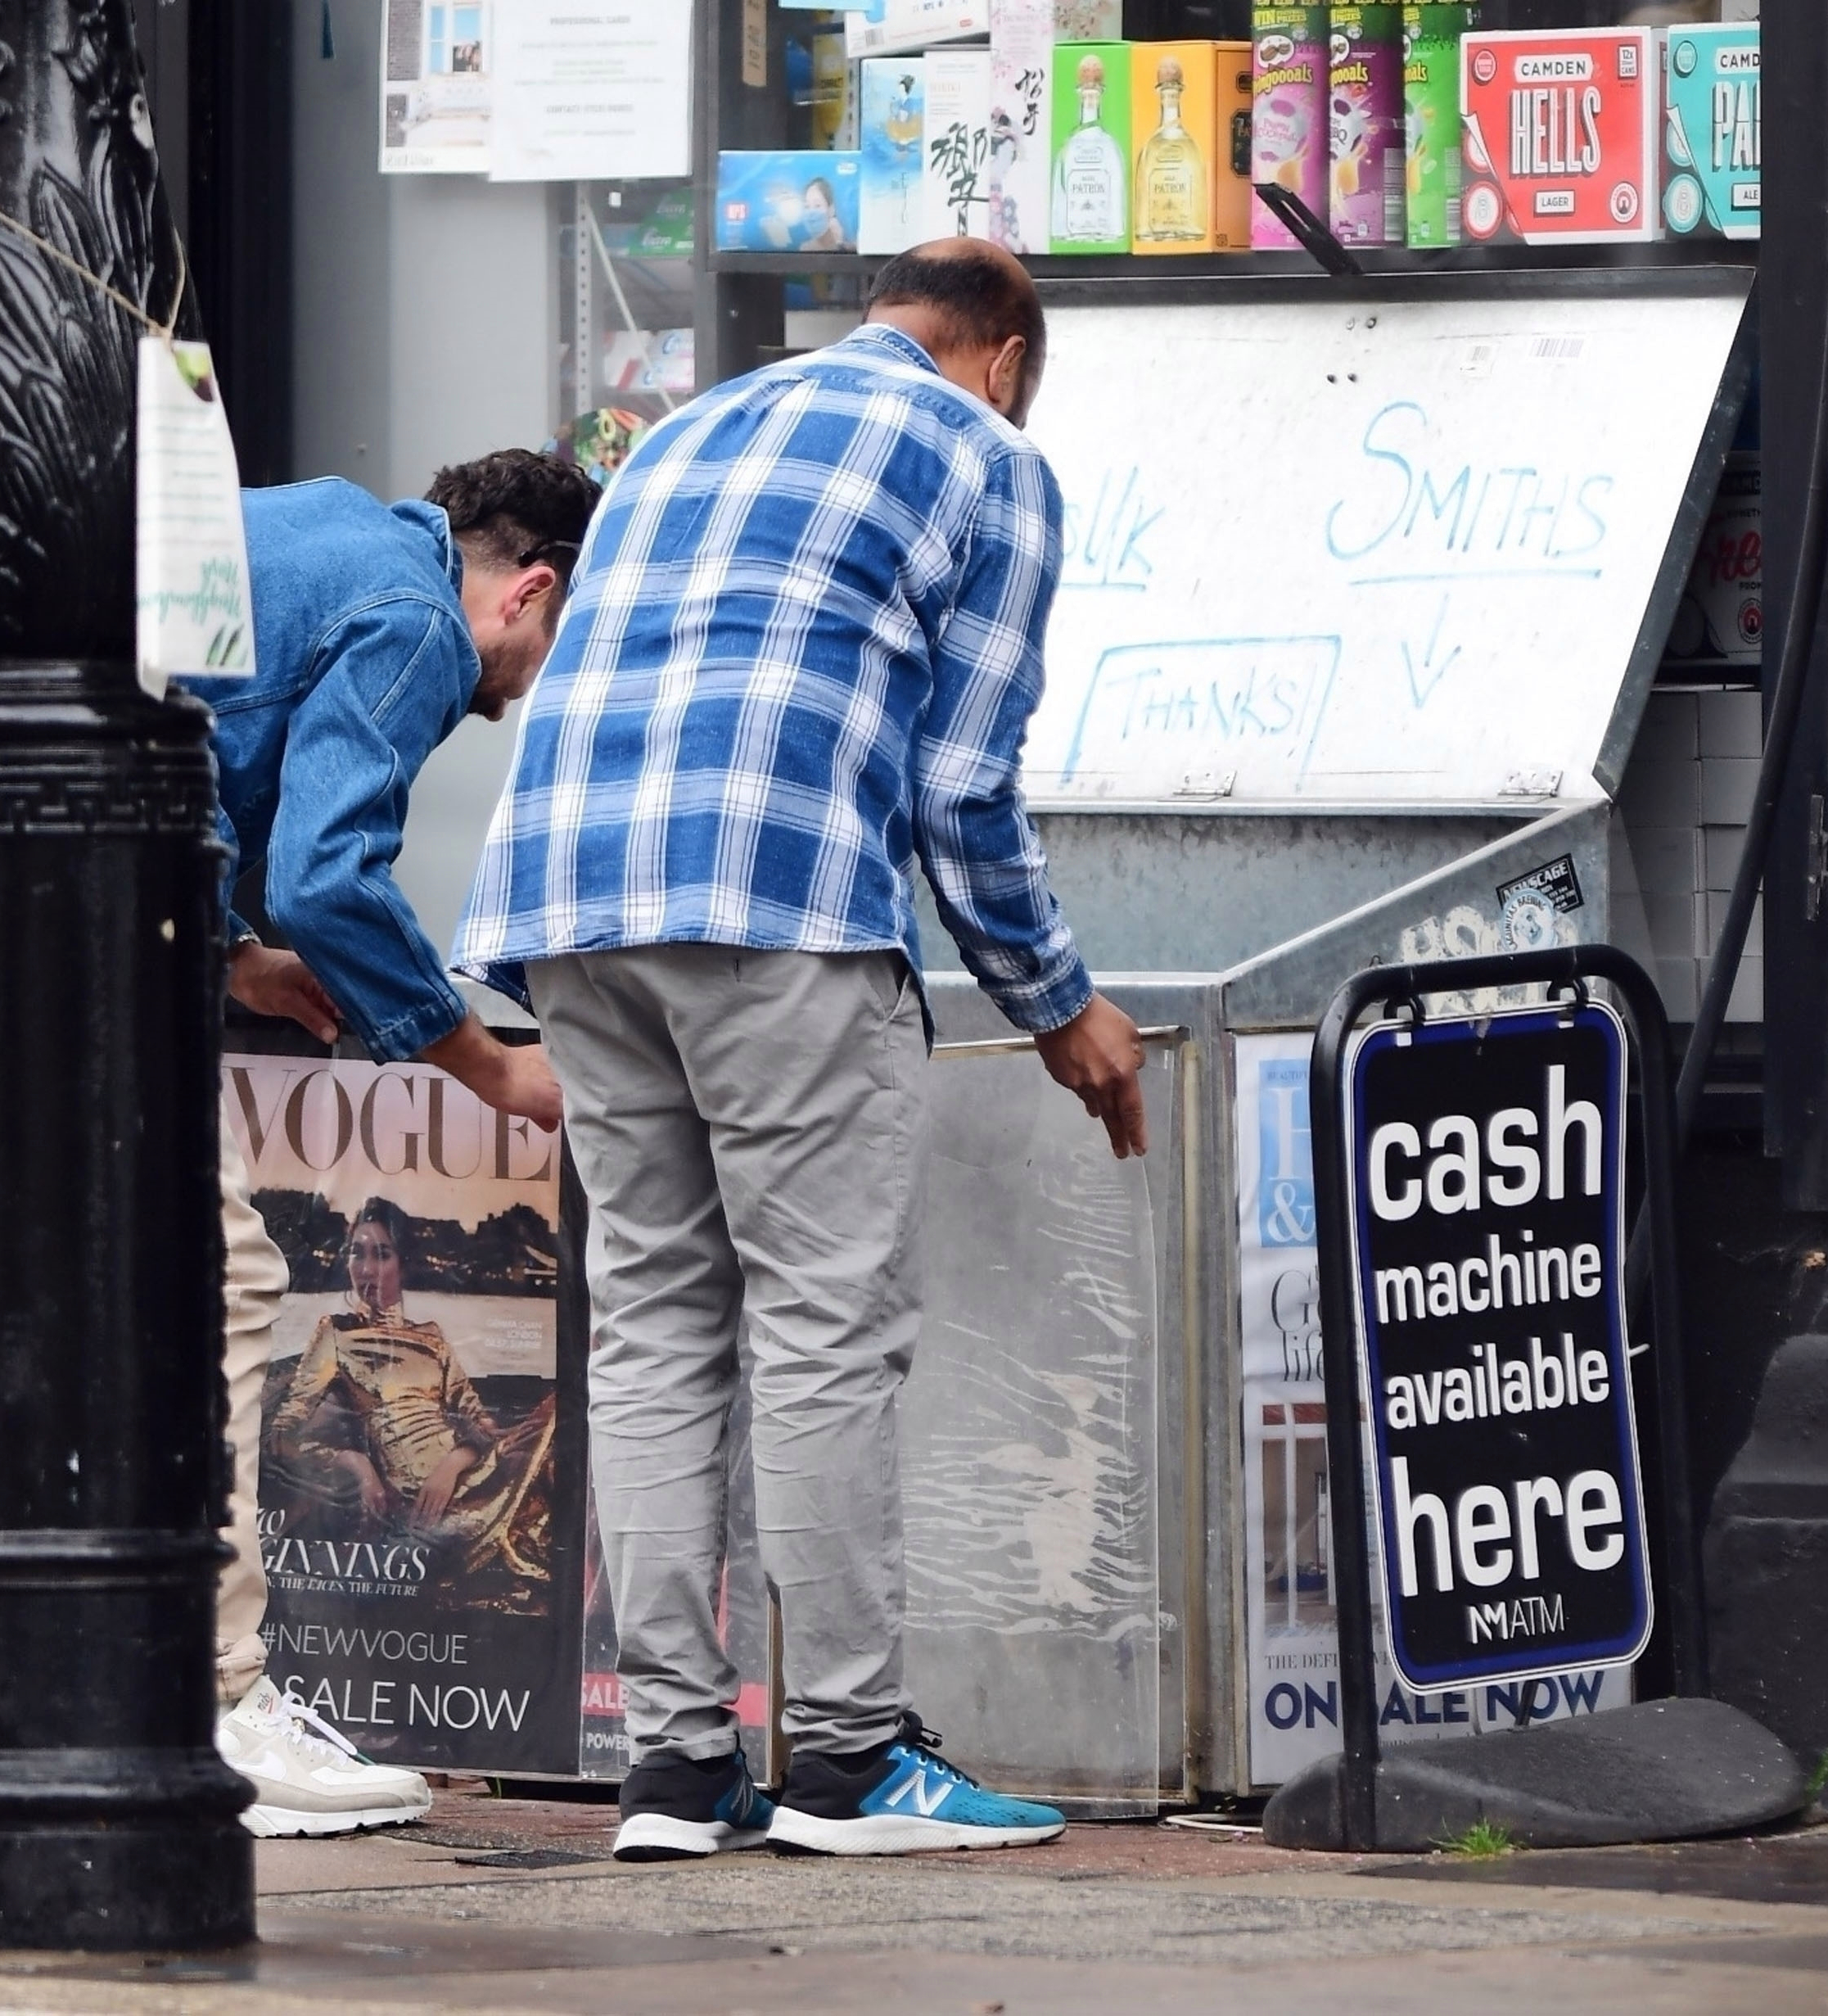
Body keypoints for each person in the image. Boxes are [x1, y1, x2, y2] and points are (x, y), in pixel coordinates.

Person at [455, 240, 1149, 1861]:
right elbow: (962, 784)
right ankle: (844, 1756)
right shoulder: (989, 456)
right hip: (770, 893)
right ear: (1004, 352)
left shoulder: (691, 426)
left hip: (567, 893)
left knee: (652, 1322)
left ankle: (675, 1767)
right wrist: (1057, 1000)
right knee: (825, 1321)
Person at [0, 448, 597, 1837]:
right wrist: (483, 1062)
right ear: (527, 589)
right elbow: (328, 872)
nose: (522, 688)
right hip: (8, 846)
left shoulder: (312, 529)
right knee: (208, 1274)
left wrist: (234, 964)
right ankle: (219, 1703)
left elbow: (174, 719)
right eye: (550, 650)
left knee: (45, 1287)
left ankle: (40, 1688)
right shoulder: (415, 612)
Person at [267, 1197, 556, 1595]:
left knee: (560, 1418)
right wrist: (356, 1464)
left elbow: (479, 1420)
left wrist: (453, 1464)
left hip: (461, 1473)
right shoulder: (337, 1333)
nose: (366, 1269)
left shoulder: (431, 1336)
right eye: (357, 1254)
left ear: (402, 1265)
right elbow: (285, 1433)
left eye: (381, 1255)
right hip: (416, 1496)